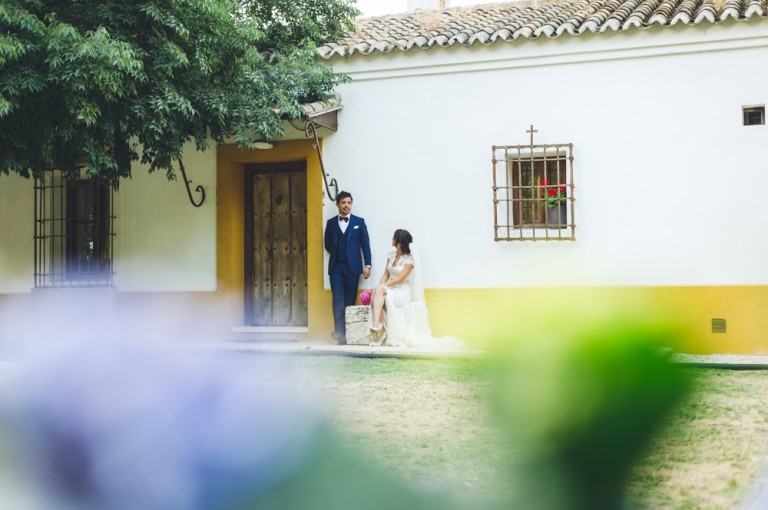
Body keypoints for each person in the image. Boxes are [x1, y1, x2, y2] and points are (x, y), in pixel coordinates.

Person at [369, 229, 433, 347]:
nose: (391, 240)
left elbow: (400, 280)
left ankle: (377, 330)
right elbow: (386, 274)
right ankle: (377, 326)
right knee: (378, 292)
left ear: (398, 243)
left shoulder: (409, 260)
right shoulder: (391, 255)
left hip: (403, 291)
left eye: (393, 238)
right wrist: (379, 287)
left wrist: (383, 287)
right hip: (390, 288)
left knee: (381, 293)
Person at [324, 191, 371, 344]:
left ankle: (349, 334)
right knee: (337, 299)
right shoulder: (330, 223)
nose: (346, 205)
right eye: (343, 202)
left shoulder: (359, 221)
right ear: (337, 204)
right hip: (336, 267)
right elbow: (328, 245)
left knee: (350, 300)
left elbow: (365, 245)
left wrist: (368, 264)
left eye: (349, 202)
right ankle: (339, 332)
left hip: (353, 267)